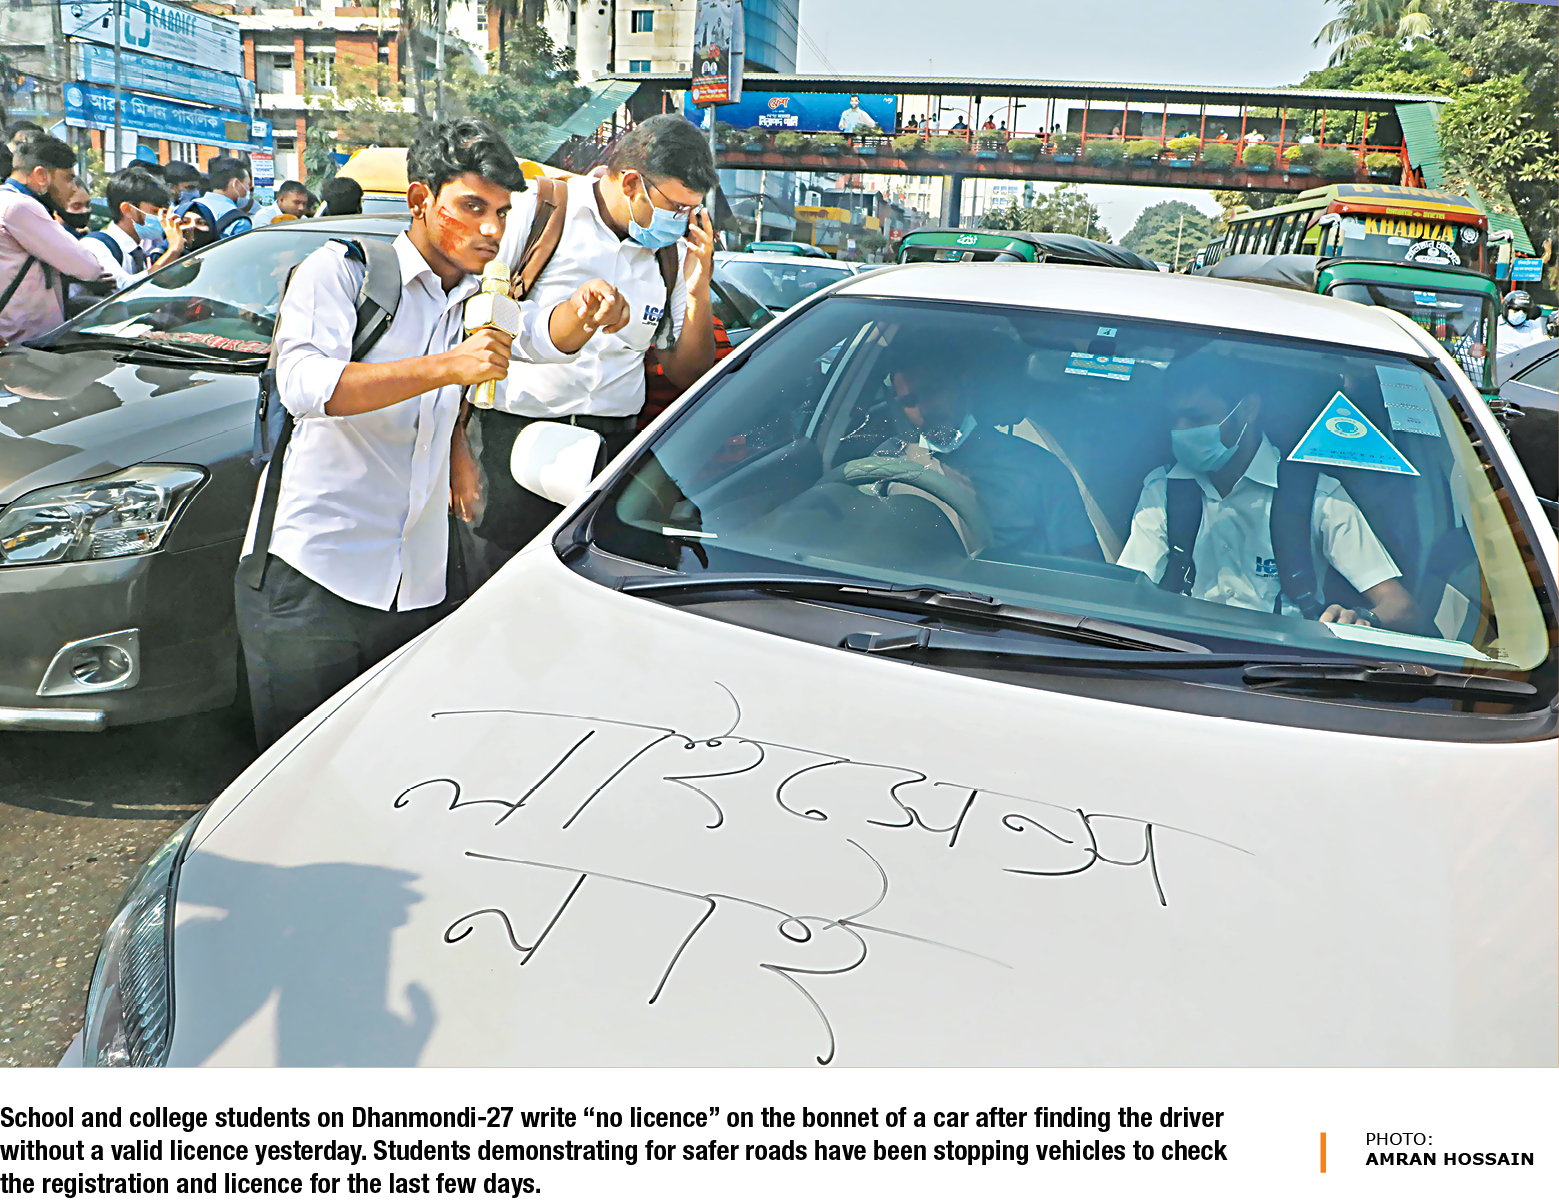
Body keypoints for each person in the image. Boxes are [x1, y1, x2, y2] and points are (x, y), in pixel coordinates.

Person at [234, 116, 629, 750]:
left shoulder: (476, 298)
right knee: (298, 773)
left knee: (393, 762)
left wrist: (584, 313)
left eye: (501, 212)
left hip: (416, 582)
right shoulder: (341, 271)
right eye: (472, 207)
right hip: (313, 577)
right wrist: (448, 366)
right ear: (420, 199)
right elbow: (306, 386)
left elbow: (540, 336)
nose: (492, 229)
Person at [473, 112, 719, 557]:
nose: (683, 222)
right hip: (516, 442)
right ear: (631, 183)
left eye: (692, 210)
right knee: (506, 579)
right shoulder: (539, 211)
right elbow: (468, 319)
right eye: (676, 208)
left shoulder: (670, 255)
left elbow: (689, 372)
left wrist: (699, 289)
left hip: (612, 447)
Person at [1117, 354, 1418, 628]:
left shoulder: (1315, 496)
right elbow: (1128, 590)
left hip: (1283, 657)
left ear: (1248, 409)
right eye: (1174, 419)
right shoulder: (1164, 490)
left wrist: (1362, 618)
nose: (1181, 431)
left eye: (1197, 418)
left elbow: (1401, 606)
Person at [879, 344, 1100, 562]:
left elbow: (1085, 568)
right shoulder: (891, 460)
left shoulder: (1039, 470)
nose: (924, 410)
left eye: (934, 390)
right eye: (909, 401)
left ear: (965, 385)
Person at [0, 134, 106, 346]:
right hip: (24, 344)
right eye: (68, 178)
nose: (73, 188)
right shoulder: (20, 206)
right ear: (41, 175)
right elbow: (89, 267)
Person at [77, 168, 185, 290]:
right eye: (155, 212)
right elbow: (125, 289)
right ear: (127, 209)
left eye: (164, 213)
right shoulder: (96, 245)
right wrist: (174, 249)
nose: (161, 219)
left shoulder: (139, 252)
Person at [178, 156, 253, 240]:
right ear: (235, 183)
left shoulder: (185, 209)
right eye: (248, 184)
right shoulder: (240, 222)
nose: (248, 189)